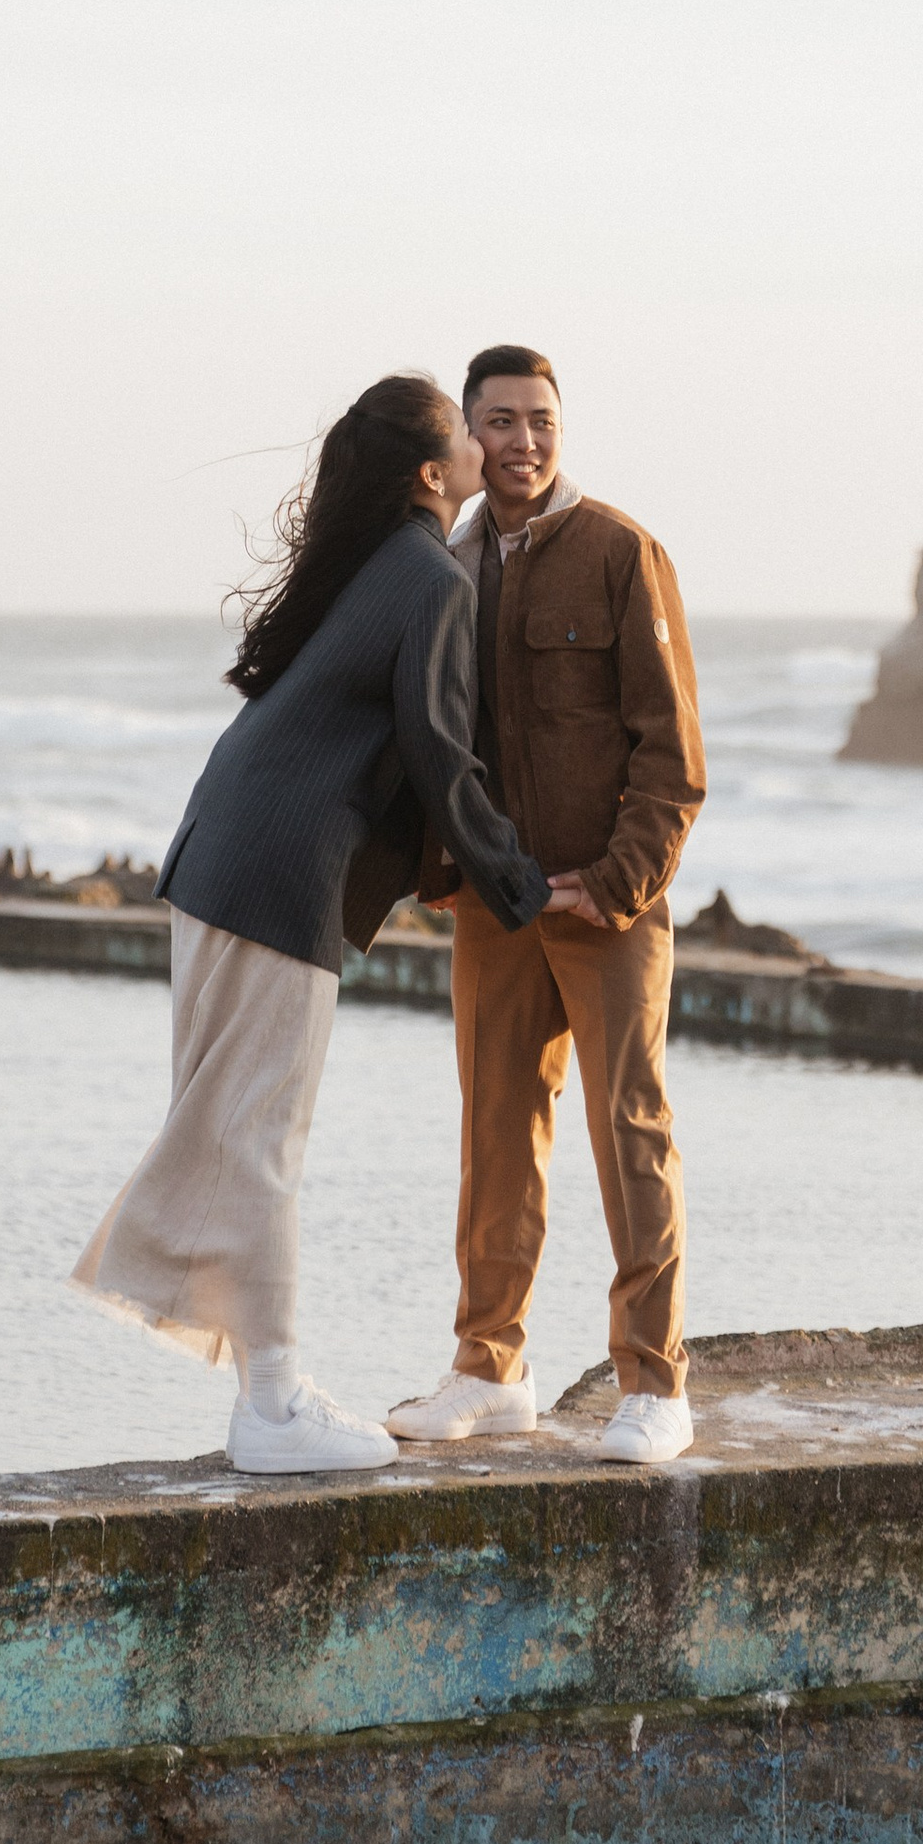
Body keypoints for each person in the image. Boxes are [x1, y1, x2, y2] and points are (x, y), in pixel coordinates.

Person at [71, 372, 552, 1474]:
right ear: (436, 475)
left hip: (223, 852)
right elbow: (441, 754)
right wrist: (520, 885)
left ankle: (267, 1395)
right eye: (469, 439)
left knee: (238, 1129)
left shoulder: (376, 563)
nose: (494, 449)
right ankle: (274, 1404)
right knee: (260, 1137)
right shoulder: (428, 574)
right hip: (280, 872)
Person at [388, 344, 706, 1465]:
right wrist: (440, 873)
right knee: (493, 1134)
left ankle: (655, 1383)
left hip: (607, 908)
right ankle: (490, 1368)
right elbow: (431, 741)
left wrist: (616, 885)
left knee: (628, 1132)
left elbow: (672, 756)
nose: (521, 441)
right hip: (497, 905)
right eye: (499, 423)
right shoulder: (447, 564)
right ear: (466, 440)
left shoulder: (620, 552)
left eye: (539, 420)